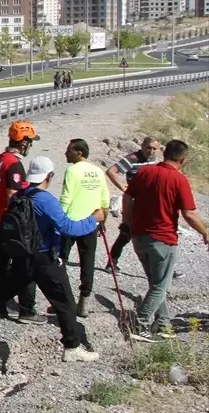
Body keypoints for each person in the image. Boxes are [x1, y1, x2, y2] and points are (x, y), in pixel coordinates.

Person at [0, 156, 103, 362]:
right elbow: (68, 228)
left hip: (23, 254)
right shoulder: (45, 200)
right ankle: (72, 347)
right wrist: (93, 220)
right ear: (49, 176)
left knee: (2, 292)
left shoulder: (20, 195)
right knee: (65, 303)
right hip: (44, 257)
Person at [123, 140, 209, 341]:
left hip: (139, 237)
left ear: (164, 153)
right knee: (161, 285)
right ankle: (141, 324)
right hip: (163, 238)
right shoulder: (178, 180)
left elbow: (127, 198)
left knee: (155, 283)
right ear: (183, 159)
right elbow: (188, 214)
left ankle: (163, 324)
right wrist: (205, 232)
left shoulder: (144, 172)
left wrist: (127, 223)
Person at [0, 121, 39, 322]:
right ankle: (27, 309)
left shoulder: (0, 158)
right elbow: (12, 193)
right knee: (25, 263)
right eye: (30, 141)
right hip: (11, 221)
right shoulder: (14, 163)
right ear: (24, 142)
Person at [60, 139, 110, 317]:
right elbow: (105, 199)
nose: (66, 153)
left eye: (69, 151)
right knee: (87, 261)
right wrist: (104, 219)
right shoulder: (98, 171)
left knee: (60, 259)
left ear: (79, 153)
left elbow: (66, 197)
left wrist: (58, 219)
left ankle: (64, 299)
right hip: (91, 221)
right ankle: (84, 302)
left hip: (71, 221)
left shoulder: (72, 170)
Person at [105, 137, 162, 267]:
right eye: (148, 147)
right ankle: (112, 262)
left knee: (156, 235)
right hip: (134, 203)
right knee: (126, 233)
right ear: (142, 146)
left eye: (154, 149)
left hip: (151, 204)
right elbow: (111, 171)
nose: (151, 151)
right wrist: (123, 188)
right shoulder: (132, 159)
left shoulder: (155, 161)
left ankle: (162, 265)